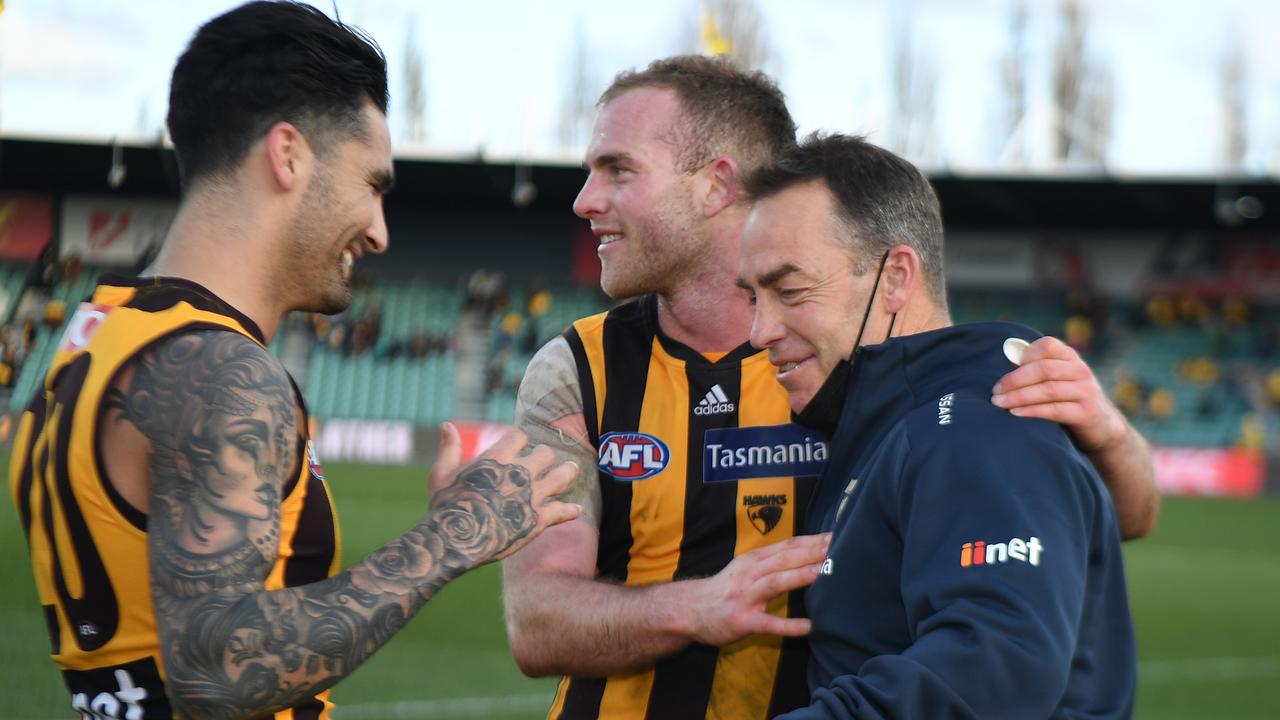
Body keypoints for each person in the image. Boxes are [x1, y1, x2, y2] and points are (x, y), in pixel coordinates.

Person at [503, 56, 1157, 719]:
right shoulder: (580, 367)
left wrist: (1108, 436)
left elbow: (1075, 542)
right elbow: (533, 621)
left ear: (717, 185)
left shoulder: (876, 376)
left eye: (618, 170)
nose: (585, 198)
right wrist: (694, 606)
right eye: (758, 296)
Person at [8, 3, 579, 719]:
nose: (378, 232)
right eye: (372, 185)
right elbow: (216, 672)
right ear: (288, 155)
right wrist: (453, 535)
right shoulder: (219, 372)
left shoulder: (97, 336)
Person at [738, 133, 1135, 718]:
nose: (759, 330)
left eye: (790, 291)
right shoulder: (888, 420)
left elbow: (995, 670)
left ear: (896, 277)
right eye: (753, 298)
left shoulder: (976, 422)